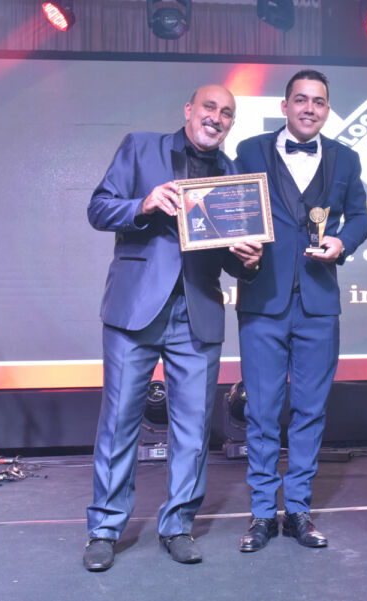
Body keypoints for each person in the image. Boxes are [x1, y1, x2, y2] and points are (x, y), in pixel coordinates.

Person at [83, 85, 263, 571]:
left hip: (197, 310)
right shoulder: (141, 147)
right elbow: (99, 208)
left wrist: (249, 260)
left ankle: (178, 524)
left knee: (192, 429)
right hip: (135, 308)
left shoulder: (235, 177)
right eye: (209, 107)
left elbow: (233, 258)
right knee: (119, 422)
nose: (217, 118)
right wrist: (143, 205)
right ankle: (104, 528)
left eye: (227, 113)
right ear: (188, 110)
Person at [233, 70, 367, 552]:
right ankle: (260, 514)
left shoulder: (346, 158)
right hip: (262, 300)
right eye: (301, 100)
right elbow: (231, 211)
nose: (309, 108)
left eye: (318, 102)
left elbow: (361, 216)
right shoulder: (249, 151)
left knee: (310, 411)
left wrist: (343, 242)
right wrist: (237, 249)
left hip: (318, 303)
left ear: (328, 110)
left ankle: (297, 510)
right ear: (285, 106)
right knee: (262, 412)